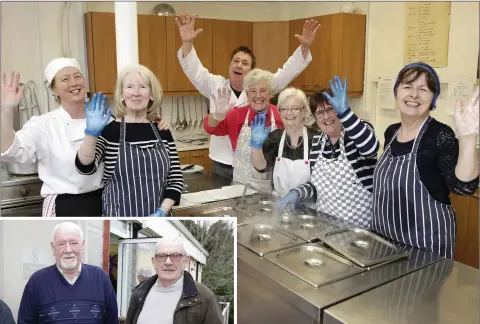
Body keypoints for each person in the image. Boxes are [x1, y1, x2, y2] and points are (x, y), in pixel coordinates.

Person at [0, 59, 168, 217]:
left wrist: (152, 125)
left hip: (102, 202)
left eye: (77, 76)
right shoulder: (43, 125)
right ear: (54, 89)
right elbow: (11, 152)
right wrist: (6, 111)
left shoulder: (106, 120)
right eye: (65, 79)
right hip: (63, 204)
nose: (74, 83)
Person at [176, 13, 319, 185]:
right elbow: (194, 70)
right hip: (222, 163)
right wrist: (187, 43)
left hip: (260, 166)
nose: (239, 65)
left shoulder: (262, 87)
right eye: (235, 61)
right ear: (229, 66)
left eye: (245, 63)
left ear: (251, 70)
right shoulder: (214, 84)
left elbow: (287, 71)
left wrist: (303, 48)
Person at [370, 62, 479, 259]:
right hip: (384, 241)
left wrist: (469, 137)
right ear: (396, 93)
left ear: (433, 98)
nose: (414, 95)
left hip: (426, 247)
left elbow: (463, 186)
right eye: (407, 86)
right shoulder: (391, 132)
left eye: (423, 89)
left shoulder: (440, 135)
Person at [75, 64, 184, 217]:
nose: (136, 93)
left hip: (159, 220)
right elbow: (85, 167)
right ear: (121, 95)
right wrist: (91, 133)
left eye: (143, 87)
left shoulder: (162, 131)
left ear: (151, 94)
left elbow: (176, 180)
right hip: (120, 221)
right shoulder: (110, 131)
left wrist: (161, 212)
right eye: (129, 87)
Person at [278, 77, 380, 228]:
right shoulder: (318, 141)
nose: (326, 117)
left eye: (330, 109)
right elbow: (318, 187)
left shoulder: (356, 132)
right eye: (319, 112)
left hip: (359, 232)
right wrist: (298, 192)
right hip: (325, 229)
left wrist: (345, 111)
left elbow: (371, 148)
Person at [17, 222, 119, 323]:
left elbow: (112, 321)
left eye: (74, 243)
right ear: (53, 248)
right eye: (61, 244)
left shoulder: (101, 278)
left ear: (82, 245)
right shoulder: (37, 282)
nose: (68, 250)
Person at [203, 69, 284, 191]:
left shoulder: (280, 116)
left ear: (270, 94)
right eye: (253, 91)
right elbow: (210, 128)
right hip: (239, 189)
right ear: (247, 95)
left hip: (270, 191)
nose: (258, 96)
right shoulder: (237, 114)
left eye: (263, 90)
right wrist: (217, 116)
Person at [126, 237, 223, 324]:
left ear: (186, 261)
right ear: (154, 262)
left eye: (175, 256)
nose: (168, 262)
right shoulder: (139, 293)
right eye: (161, 256)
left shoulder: (205, 298)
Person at [250, 87, 317, 196]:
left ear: (304, 111)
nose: (289, 113)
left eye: (295, 108)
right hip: (279, 204)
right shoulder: (275, 137)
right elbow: (261, 167)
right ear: (279, 112)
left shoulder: (316, 139)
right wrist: (256, 146)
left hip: (308, 206)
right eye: (284, 108)